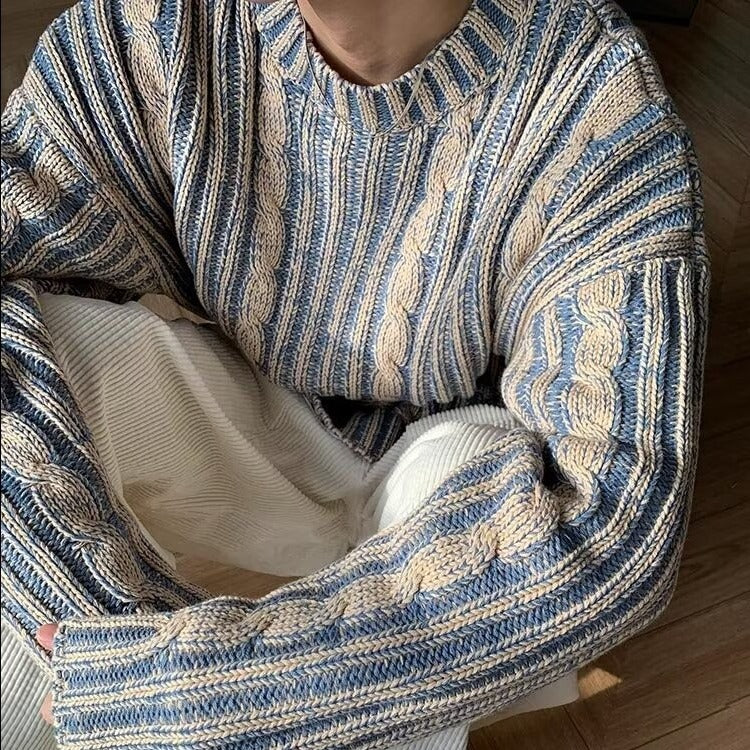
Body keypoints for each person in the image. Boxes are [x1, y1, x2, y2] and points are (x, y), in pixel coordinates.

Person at [0, 0, 709, 748]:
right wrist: (122, 660)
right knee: (56, 360)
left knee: (492, 485)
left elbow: (614, 511)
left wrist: (214, 696)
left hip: (442, 465)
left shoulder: (595, 96)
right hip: (249, 413)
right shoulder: (152, 30)